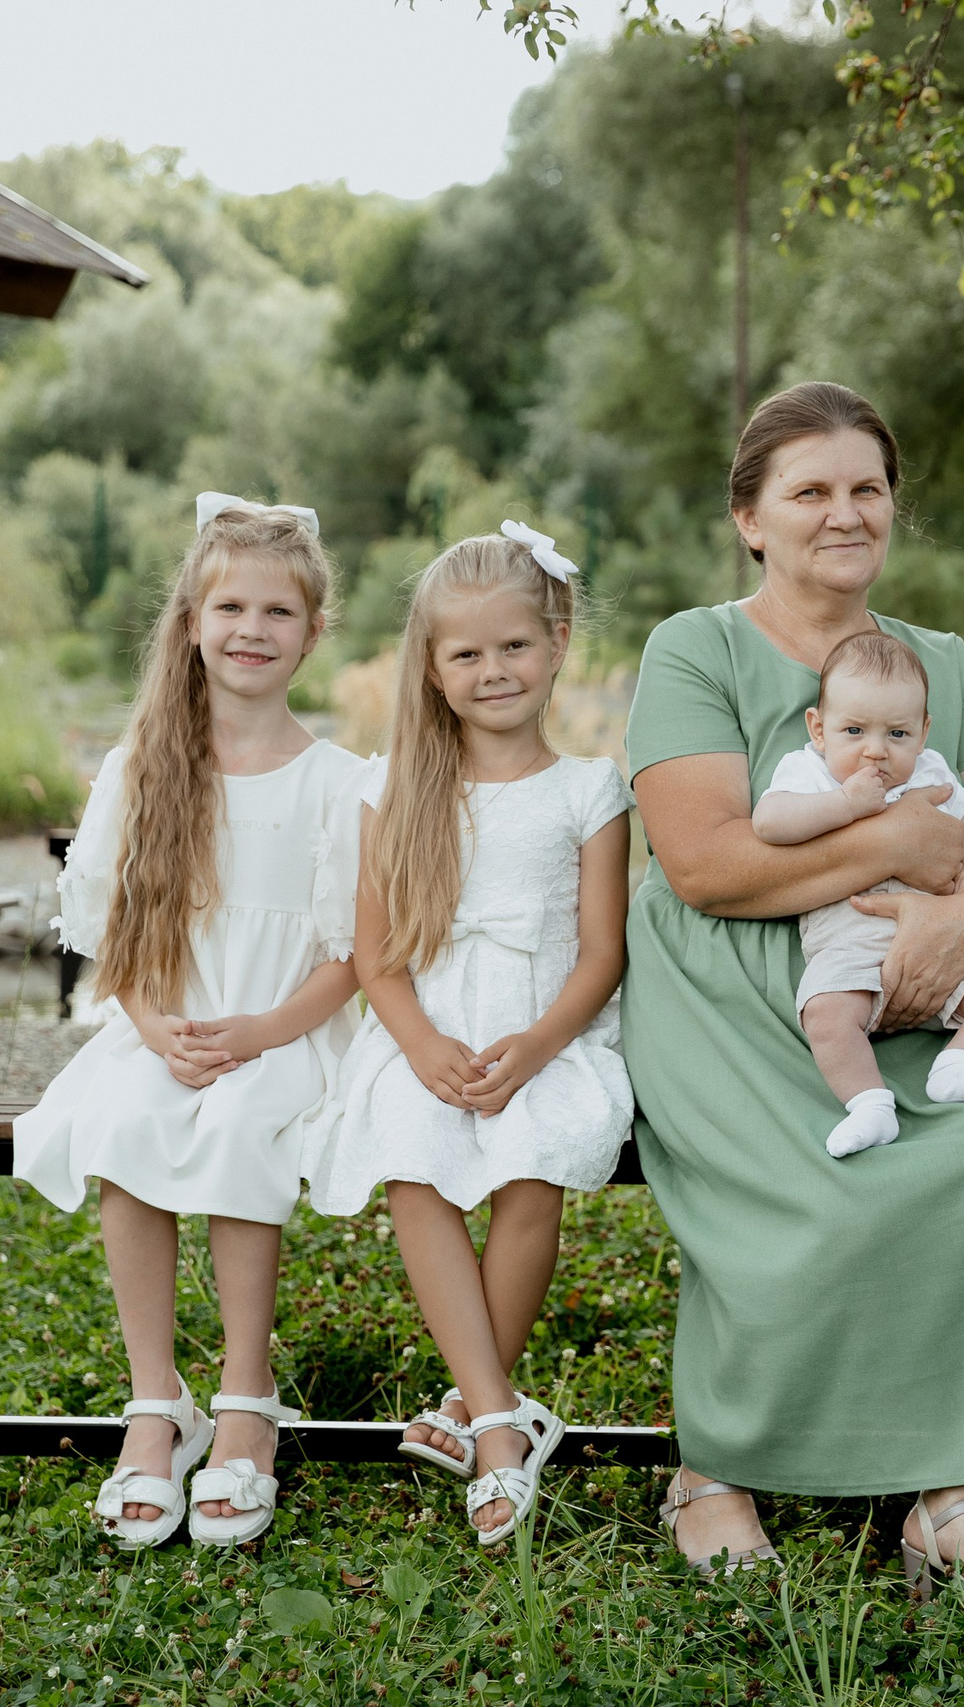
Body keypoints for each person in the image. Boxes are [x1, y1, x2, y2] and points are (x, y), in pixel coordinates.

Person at [623, 381, 964, 1602]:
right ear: (749, 519)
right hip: (730, 985)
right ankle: (714, 1470)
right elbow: (705, 865)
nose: (844, 513)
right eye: (809, 491)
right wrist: (897, 845)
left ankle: (954, 1497)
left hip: (917, 976)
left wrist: (959, 924)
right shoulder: (695, 650)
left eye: (866, 488)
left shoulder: (944, 665)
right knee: (816, 1194)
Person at [15, 494, 368, 1549]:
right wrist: (158, 1024)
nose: (252, 629)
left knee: (243, 1120)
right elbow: (112, 930)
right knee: (125, 1117)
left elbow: (353, 953)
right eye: (230, 607)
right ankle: (156, 1402)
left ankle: (247, 1398)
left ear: (314, 631)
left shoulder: (341, 782)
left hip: (285, 1028)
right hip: (165, 1022)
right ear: (192, 621)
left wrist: (263, 1031)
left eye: (277, 611)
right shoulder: (145, 763)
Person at [303, 524, 634, 1547]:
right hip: (427, 1028)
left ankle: (468, 1404)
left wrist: (534, 1048)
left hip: (549, 1031)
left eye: (515, 646)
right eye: (467, 653)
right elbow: (375, 956)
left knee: (532, 1165)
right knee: (414, 1159)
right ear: (432, 668)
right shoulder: (394, 786)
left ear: (558, 641)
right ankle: (500, 1420)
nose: (494, 670)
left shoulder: (589, 789)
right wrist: (419, 1045)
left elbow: (602, 954)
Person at [752, 630, 964, 1158]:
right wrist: (845, 805)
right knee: (825, 1013)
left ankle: (960, 1064)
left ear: (923, 733)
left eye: (897, 733)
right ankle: (869, 1105)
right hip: (850, 947)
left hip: (941, 946)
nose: (876, 750)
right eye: (854, 730)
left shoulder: (931, 774)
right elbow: (769, 823)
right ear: (819, 729)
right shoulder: (809, 771)